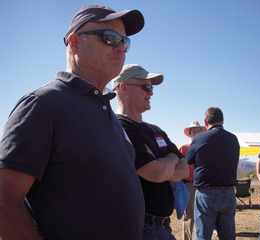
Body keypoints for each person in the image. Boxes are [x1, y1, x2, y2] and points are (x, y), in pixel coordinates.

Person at [0, 5, 145, 240]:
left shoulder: (104, 108)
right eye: (110, 38)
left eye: (125, 42)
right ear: (75, 42)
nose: (120, 47)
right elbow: (4, 200)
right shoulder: (43, 105)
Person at [112, 64, 189, 240]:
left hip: (163, 228)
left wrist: (162, 163)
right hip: (141, 228)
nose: (151, 92)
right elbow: (156, 173)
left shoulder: (156, 130)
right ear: (123, 88)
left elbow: (184, 169)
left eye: (151, 87)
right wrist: (171, 159)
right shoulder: (120, 128)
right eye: (146, 87)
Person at [186, 107, 240, 240]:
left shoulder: (199, 138)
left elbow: (189, 162)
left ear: (205, 121)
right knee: (228, 236)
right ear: (222, 120)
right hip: (228, 192)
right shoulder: (233, 139)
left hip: (206, 192)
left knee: (203, 235)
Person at [178, 121, 206, 240]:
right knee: (189, 216)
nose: (195, 132)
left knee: (203, 215)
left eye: (198, 130)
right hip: (188, 184)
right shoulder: (183, 148)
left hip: (203, 185)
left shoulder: (204, 147)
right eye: (193, 131)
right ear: (190, 134)